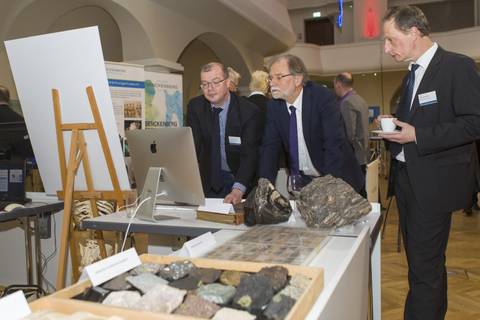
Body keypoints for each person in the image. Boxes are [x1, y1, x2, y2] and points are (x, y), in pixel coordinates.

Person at [379, 6, 480, 319]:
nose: (386, 48)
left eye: (390, 40)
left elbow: (474, 122)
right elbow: (420, 122)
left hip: (433, 187)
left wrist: (417, 135)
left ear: (414, 33)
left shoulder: (457, 67)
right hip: (409, 182)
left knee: (424, 270)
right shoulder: (412, 74)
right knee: (424, 267)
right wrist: (396, 126)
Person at [259, 54, 364, 193]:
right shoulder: (274, 106)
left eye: (279, 77)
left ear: (297, 79)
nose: (272, 83)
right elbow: (269, 148)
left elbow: (333, 146)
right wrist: (265, 187)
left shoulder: (323, 98)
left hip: (338, 180)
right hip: (304, 183)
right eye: (270, 78)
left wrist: (327, 190)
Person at [186, 62, 262, 204]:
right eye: (205, 84)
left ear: (227, 83)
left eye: (215, 82)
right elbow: (193, 146)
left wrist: (238, 189)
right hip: (209, 179)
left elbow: (249, 155)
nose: (210, 88)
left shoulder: (249, 112)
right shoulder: (195, 107)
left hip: (239, 178)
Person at [333, 73, 370, 175]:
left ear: (338, 84)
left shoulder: (346, 102)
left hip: (354, 156)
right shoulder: (361, 100)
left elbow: (349, 134)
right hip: (364, 153)